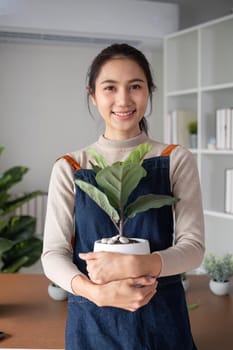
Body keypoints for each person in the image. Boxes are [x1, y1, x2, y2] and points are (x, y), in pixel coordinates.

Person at [42, 43, 205, 350]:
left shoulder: (174, 158)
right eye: (110, 88)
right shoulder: (71, 166)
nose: (123, 100)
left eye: (135, 86)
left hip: (162, 321)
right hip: (93, 320)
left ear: (149, 91)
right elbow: (53, 255)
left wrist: (135, 266)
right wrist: (95, 292)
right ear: (93, 95)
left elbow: (193, 248)